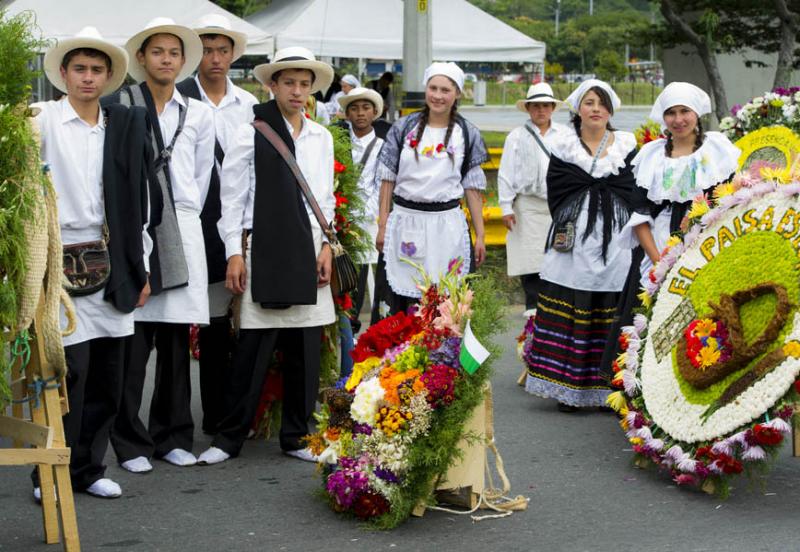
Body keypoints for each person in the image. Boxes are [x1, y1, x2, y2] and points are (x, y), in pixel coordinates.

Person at [197, 46, 336, 465]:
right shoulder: (249, 133)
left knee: (305, 349)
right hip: (265, 248)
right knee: (253, 348)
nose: (297, 91)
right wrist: (234, 254)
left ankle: (297, 435)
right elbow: (233, 199)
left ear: (312, 90)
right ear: (271, 85)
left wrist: (328, 245)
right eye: (288, 82)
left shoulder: (321, 136)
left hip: (310, 245)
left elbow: (324, 198)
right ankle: (229, 437)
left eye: (304, 83)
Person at [32, 27, 150, 499]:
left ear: (107, 77)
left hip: (109, 253)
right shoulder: (39, 120)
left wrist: (140, 268)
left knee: (108, 371)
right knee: (66, 372)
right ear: (63, 73)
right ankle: (49, 472)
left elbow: (137, 200)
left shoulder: (119, 125)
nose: (87, 77)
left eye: (96, 70)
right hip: (55, 255)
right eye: (79, 68)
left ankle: (89, 468)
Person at [108, 17, 215, 472]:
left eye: (174, 53)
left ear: (182, 60)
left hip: (183, 230)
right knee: (132, 342)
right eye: (158, 52)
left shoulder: (198, 112)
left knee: (175, 342)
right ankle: (130, 443)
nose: (166, 59)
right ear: (142, 59)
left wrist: (177, 215)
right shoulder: (120, 105)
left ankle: (172, 435)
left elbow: (202, 174)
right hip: (136, 226)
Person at [600, 82, 740, 372]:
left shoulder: (716, 151)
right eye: (671, 113)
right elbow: (639, 215)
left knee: (698, 316)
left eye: (684, 111)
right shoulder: (651, 156)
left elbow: (728, 204)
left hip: (704, 250)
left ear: (696, 114)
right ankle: (642, 392)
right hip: (656, 249)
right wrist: (659, 262)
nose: (678, 120)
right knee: (649, 318)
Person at [523, 79, 639, 412]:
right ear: (578, 108)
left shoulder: (627, 146)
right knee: (573, 299)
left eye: (602, 103)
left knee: (613, 303)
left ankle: (611, 388)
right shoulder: (564, 146)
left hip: (616, 238)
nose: (596, 109)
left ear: (611, 109)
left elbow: (633, 190)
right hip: (574, 236)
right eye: (589, 102)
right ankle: (567, 386)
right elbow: (557, 191)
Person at [176, 14, 258, 435]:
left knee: (242, 320)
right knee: (208, 321)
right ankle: (211, 414)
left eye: (223, 50)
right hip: (197, 218)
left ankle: (240, 410)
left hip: (241, 220)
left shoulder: (247, 104)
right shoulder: (180, 98)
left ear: (232, 55)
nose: (215, 58)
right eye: (207, 50)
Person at [375, 62, 488, 315]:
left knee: (447, 302)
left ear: (457, 93)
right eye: (433, 88)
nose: (438, 95)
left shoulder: (467, 133)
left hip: (447, 226)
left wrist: (480, 235)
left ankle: (444, 354)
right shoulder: (404, 128)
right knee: (403, 299)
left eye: (445, 90)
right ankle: (403, 353)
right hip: (406, 222)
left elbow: (472, 188)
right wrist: (382, 223)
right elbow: (387, 178)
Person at [499, 83, 571, 316]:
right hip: (527, 206)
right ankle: (532, 307)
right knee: (530, 258)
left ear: (552, 108)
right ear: (529, 109)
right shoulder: (516, 137)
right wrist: (505, 207)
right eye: (536, 106)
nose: (541, 110)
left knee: (560, 256)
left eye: (545, 105)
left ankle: (557, 309)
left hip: (558, 205)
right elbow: (506, 172)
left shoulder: (565, 136)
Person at [339, 86, 384, 336]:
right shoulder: (338, 144)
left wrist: (362, 213)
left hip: (369, 221)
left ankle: (374, 329)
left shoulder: (382, 146)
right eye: (354, 108)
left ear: (375, 111)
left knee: (368, 274)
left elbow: (381, 186)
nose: (360, 113)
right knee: (347, 277)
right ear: (347, 114)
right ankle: (349, 330)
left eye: (366, 108)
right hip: (343, 221)